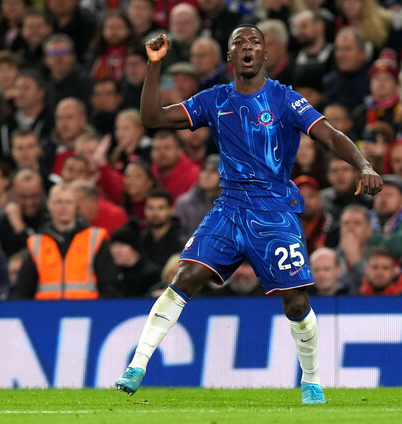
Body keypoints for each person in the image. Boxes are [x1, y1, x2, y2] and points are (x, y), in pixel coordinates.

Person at [115, 25, 382, 405]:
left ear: (264, 55)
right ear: (230, 56)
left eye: (254, 42)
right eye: (238, 41)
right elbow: (153, 118)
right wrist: (154, 65)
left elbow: (330, 135)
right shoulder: (214, 99)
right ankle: (137, 364)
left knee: (296, 302)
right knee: (186, 275)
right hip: (229, 207)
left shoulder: (285, 99)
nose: (247, 46)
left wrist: (364, 164)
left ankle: (312, 380)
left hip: (274, 210)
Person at [14, 183, 119, 299]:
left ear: (76, 206)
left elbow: (109, 285)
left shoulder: (95, 239)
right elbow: (23, 289)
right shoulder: (37, 243)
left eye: (68, 202)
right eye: (58, 202)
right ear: (49, 205)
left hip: (86, 308)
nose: (63, 207)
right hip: (48, 309)